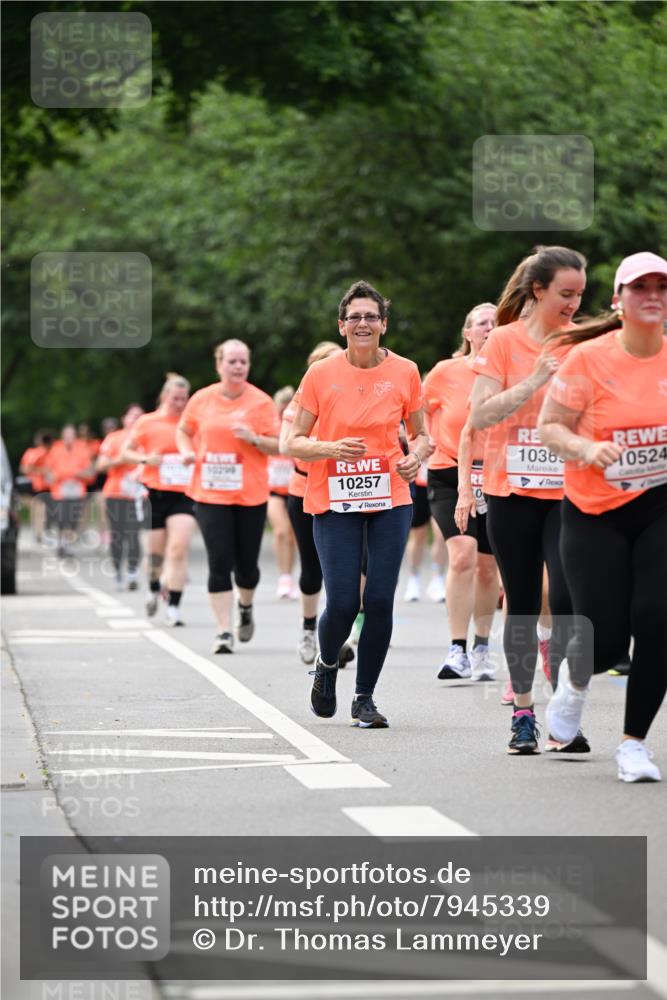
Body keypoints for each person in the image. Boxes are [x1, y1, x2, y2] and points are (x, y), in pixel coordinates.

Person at [539, 251, 667, 782]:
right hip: (595, 513)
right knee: (603, 639)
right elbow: (551, 427)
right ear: (619, 299)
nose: (653, 296)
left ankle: (634, 744)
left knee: (659, 621)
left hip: (659, 506)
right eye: (641, 288)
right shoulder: (588, 359)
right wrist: (586, 450)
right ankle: (573, 686)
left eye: (663, 287)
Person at [287, 280, 428, 728]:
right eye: (355, 317)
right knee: (345, 602)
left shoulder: (405, 371)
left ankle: (364, 698)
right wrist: (330, 449)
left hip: (391, 496)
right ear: (342, 325)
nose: (363, 323)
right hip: (333, 497)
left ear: (383, 325)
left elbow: (424, 434)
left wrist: (416, 457)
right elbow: (292, 441)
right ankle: (327, 666)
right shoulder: (320, 374)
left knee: (380, 599)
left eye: (371, 316)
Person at [470, 246, 589, 755]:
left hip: (568, 490)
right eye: (566, 294)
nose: (573, 304)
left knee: (565, 602)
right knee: (521, 604)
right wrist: (537, 378)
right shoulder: (502, 341)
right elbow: (480, 415)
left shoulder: (582, 341)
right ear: (538, 290)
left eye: (580, 295)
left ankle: (564, 713)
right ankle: (523, 713)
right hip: (511, 491)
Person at [176, 340, 280, 653]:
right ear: (219, 364)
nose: (238, 367)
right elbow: (184, 430)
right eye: (232, 361)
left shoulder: (260, 403)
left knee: (246, 567)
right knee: (219, 561)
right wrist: (186, 452)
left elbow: (281, 445)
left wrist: (255, 439)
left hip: (250, 493)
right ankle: (223, 631)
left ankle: (245, 607)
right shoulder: (202, 399)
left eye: (243, 362)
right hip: (210, 493)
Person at [425, 302, 500, 682]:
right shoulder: (444, 372)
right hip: (447, 474)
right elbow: (416, 411)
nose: (490, 327)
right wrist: (423, 442)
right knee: (462, 555)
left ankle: (482, 646)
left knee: (488, 567)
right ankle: (457, 649)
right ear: (468, 333)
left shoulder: (512, 373)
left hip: (497, 476)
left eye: (497, 322)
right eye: (482, 323)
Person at [279, 341, 354, 668]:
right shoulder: (298, 405)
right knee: (313, 568)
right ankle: (309, 626)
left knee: (350, 569)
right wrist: (332, 448)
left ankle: (339, 634)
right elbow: (288, 446)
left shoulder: (352, 399)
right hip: (305, 491)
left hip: (347, 492)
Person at [123, 374, 196, 625]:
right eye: (174, 398)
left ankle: (174, 606)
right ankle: (154, 586)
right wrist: (145, 460)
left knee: (178, 549)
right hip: (152, 492)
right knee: (154, 553)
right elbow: (127, 452)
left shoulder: (191, 423)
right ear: (164, 397)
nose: (179, 403)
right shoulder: (147, 422)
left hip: (184, 494)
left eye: (183, 399)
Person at [96, 404, 145, 590]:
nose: (136, 420)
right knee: (118, 535)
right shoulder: (114, 438)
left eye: (140, 416)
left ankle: (132, 571)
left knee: (134, 534)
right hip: (116, 492)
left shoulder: (146, 438)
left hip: (138, 494)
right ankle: (118, 572)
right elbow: (101, 465)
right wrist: (121, 459)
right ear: (124, 419)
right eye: (132, 416)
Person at [43, 424, 94, 557]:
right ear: (62, 436)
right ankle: (62, 543)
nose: (69, 438)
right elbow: (48, 470)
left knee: (73, 519)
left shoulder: (82, 449)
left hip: (77, 489)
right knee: (61, 518)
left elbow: (89, 471)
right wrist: (52, 476)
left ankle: (67, 543)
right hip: (60, 489)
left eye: (71, 435)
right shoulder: (55, 449)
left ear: (75, 436)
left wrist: (78, 473)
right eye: (66, 435)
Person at [267, 386, 298, 599]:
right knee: (281, 531)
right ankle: (284, 576)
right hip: (272, 490)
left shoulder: (299, 428)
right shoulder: (269, 427)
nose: (284, 415)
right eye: (281, 410)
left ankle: (289, 577)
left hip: (295, 488)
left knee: (293, 535)